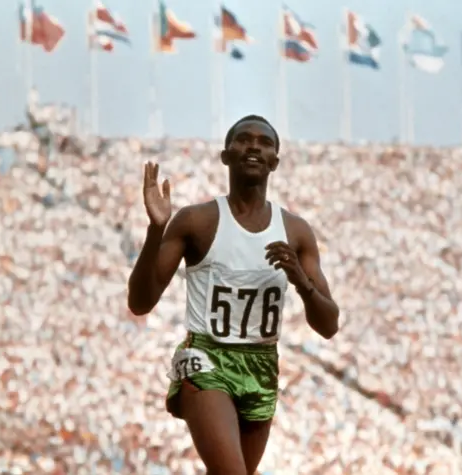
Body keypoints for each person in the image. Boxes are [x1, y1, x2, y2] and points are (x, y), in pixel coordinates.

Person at [127, 115, 339, 475]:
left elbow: (329, 324)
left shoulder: (296, 231)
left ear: (275, 161)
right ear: (226, 156)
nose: (254, 146)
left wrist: (301, 281)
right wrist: (156, 228)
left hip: (261, 364)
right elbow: (140, 301)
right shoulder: (197, 221)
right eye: (244, 139)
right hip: (207, 357)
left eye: (265, 142)